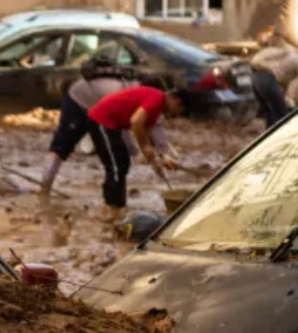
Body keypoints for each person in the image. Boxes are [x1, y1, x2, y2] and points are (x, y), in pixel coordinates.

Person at [37, 44, 136, 205]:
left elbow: (124, 128)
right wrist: (135, 150)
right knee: (61, 147)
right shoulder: (127, 95)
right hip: (78, 102)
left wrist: (134, 150)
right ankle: (44, 190)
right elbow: (124, 128)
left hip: (101, 112)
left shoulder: (134, 93)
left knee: (114, 158)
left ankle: (111, 202)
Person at [85, 80, 186, 213]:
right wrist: (144, 147)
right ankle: (112, 207)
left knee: (123, 163)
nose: (175, 113)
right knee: (116, 166)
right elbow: (136, 121)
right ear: (176, 101)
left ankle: (119, 206)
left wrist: (158, 162)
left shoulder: (157, 108)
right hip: (101, 119)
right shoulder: (156, 98)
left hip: (112, 125)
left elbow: (149, 133)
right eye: (178, 109)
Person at [248, 28, 298, 123]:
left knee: (272, 113)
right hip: (266, 78)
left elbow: (289, 85)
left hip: (257, 79)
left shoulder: (286, 57)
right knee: (283, 116)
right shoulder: (289, 54)